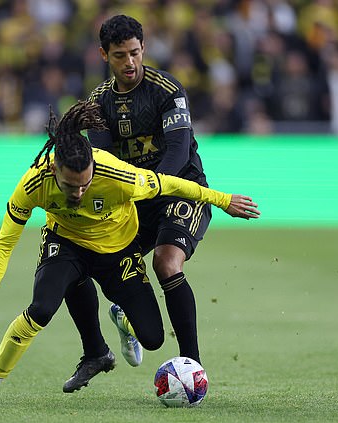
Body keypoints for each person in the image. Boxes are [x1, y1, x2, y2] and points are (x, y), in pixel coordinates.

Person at [0, 100, 260, 406]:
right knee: (41, 308)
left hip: (118, 250)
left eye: (84, 185)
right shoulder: (34, 182)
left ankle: (121, 317)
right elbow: (5, 242)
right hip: (66, 244)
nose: (78, 193)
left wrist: (222, 200)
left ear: (93, 167)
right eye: (69, 186)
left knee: (153, 338)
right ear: (54, 169)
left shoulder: (117, 175)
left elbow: (171, 184)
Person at [62, 14, 242, 392]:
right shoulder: (98, 103)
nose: (129, 63)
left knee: (166, 260)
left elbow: (177, 150)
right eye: (119, 56)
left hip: (180, 189)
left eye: (134, 53)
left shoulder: (168, 90)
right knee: (100, 263)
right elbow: (104, 160)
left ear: (143, 49)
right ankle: (125, 316)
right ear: (103, 55)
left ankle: (193, 368)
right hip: (132, 199)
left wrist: (154, 187)